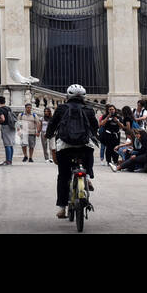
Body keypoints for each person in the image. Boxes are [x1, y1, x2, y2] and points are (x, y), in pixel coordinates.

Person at [46, 84, 99, 218]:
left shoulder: (61, 109)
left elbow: (52, 125)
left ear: (68, 96)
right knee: (89, 151)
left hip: (65, 146)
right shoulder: (88, 109)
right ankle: (87, 177)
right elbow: (95, 127)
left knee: (63, 176)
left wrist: (48, 135)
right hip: (84, 145)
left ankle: (62, 208)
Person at [0, 96, 17, 165]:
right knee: (10, 144)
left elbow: (3, 119)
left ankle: (8, 161)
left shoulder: (0, 109)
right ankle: (10, 160)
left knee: (7, 144)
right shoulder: (8, 108)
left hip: (5, 127)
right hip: (12, 126)